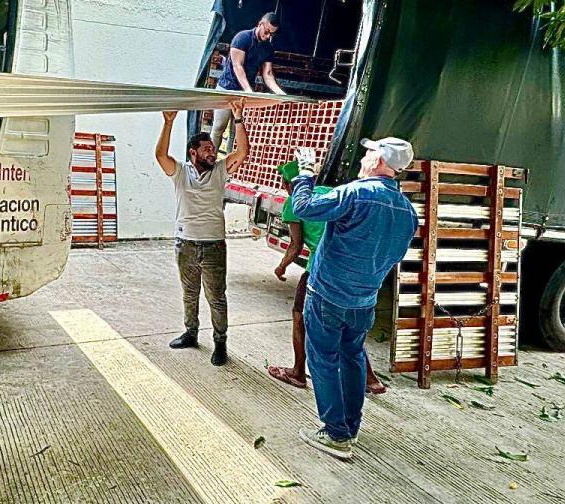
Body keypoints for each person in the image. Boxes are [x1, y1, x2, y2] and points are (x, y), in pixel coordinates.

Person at [290, 138, 418, 461]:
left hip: (327, 295)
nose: (362, 158)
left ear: (378, 161)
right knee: (353, 357)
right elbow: (395, 256)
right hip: (364, 302)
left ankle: (335, 434)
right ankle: (351, 426)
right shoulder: (408, 213)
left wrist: (306, 173)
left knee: (322, 359)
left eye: (367, 153)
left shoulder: (356, 193)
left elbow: (303, 207)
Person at [267, 160, 386, 395]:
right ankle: (370, 379)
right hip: (346, 269)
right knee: (348, 328)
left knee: (299, 317)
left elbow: (295, 245)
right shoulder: (330, 192)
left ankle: (298, 372)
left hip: (318, 269)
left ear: (287, 184)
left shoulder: (294, 202)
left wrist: (281, 267)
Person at [155, 101, 248, 366]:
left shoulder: (220, 171)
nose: (212, 153)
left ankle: (220, 342)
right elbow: (160, 155)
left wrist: (238, 117)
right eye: (207, 150)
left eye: (213, 149)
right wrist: (168, 122)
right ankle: (191, 333)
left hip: (213, 245)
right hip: (185, 243)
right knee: (189, 292)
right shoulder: (181, 172)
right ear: (192, 152)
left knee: (216, 297)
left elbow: (242, 151)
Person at [211, 12, 286, 150]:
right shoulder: (242, 38)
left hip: (245, 93)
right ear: (260, 24)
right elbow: (237, 66)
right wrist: (248, 89)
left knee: (237, 129)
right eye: (267, 31)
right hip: (227, 88)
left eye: (272, 34)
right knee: (218, 127)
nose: (268, 36)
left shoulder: (268, 48)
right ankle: (208, 162)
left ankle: (230, 163)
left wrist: (281, 94)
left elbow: (267, 74)